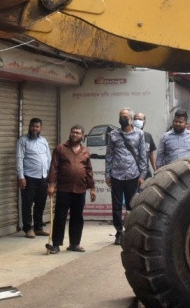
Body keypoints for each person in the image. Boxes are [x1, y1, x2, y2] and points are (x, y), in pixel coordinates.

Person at [46, 125, 96, 254]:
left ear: (82, 136)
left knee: (77, 217)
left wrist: (92, 188)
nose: (74, 134)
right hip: (64, 188)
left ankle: (74, 244)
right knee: (60, 217)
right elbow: (54, 167)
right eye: (73, 132)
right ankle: (56, 244)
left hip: (80, 189)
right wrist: (51, 184)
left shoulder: (85, 151)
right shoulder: (60, 148)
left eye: (78, 133)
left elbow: (89, 170)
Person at [106, 108, 148, 245]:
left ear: (130, 119)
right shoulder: (113, 135)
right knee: (116, 206)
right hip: (116, 175)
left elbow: (143, 156)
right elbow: (109, 155)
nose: (122, 119)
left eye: (125, 116)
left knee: (132, 205)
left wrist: (142, 175)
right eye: (120, 116)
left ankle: (130, 231)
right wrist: (107, 174)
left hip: (133, 175)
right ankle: (119, 232)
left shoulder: (140, 134)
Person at [16, 117, 51, 238]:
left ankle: (38, 227)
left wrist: (50, 176)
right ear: (29, 127)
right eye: (33, 126)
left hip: (43, 177)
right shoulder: (23, 140)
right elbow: (19, 158)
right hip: (29, 177)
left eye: (37, 127)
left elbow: (48, 158)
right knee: (27, 204)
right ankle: (28, 228)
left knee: (41, 203)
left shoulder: (44, 141)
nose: (34, 129)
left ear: (40, 128)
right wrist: (21, 177)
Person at [132, 111, 157, 177]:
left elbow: (151, 154)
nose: (137, 121)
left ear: (144, 121)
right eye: (135, 119)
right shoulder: (128, 135)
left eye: (140, 119)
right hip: (131, 172)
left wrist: (155, 170)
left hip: (145, 171)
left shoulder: (148, 136)